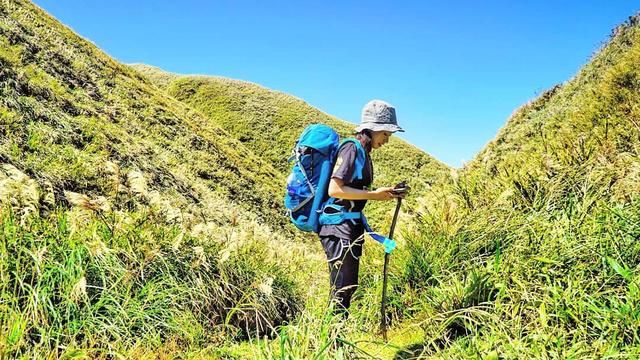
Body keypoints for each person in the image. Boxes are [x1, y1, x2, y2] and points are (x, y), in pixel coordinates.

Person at [318, 99, 406, 317]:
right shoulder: (351, 148)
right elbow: (335, 189)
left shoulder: (364, 154)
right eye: (385, 134)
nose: (387, 140)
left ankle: (336, 343)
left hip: (350, 225)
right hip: (338, 226)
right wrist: (373, 195)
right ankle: (332, 345)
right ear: (372, 129)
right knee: (341, 290)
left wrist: (386, 192)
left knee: (348, 287)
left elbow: (354, 188)